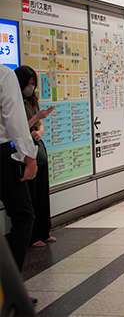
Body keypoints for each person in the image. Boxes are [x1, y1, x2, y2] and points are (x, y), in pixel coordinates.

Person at [0, 65, 39, 271]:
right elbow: (14, 120)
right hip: (1, 157)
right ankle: (9, 287)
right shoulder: (4, 74)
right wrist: (29, 159)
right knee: (23, 216)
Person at [15, 66, 56, 248]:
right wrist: (36, 120)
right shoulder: (14, 102)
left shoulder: (33, 101)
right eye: (29, 83)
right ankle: (32, 236)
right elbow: (18, 127)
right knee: (31, 193)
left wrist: (39, 130)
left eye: (33, 84)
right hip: (23, 151)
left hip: (37, 149)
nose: (31, 87)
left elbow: (40, 125)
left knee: (42, 191)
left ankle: (43, 231)